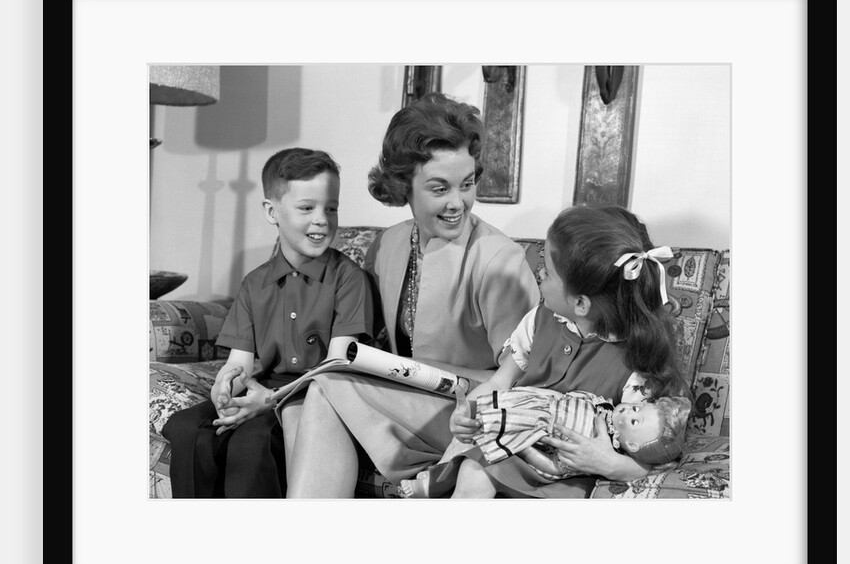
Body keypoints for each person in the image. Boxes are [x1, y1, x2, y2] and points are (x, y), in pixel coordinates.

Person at [281, 92, 541, 497]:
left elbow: (524, 380)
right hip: (406, 398)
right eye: (440, 189)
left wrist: (422, 366)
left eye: (467, 184)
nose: (458, 203)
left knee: (326, 386)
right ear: (404, 186)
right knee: (297, 402)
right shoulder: (388, 244)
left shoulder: (498, 259)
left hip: (474, 416)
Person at [403, 204, 692, 498]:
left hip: (568, 472)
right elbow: (499, 383)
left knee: (478, 472)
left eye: (549, 272)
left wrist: (609, 464)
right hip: (516, 441)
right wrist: (467, 414)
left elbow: (653, 457)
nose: (539, 272)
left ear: (581, 303)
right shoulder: (540, 319)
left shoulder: (635, 363)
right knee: (473, 472)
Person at [161, 147, 375, 498]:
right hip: (265, 385)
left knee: (251, 443)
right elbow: (239, 364)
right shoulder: (254, 283)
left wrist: (269, 400)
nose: (322, 219)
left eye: (331, 208)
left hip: (319, 393)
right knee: (187, 427)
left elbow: (335, 369)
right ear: (271, 211)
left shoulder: (348, 279)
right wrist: (225, 389)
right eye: (307, 208)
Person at [399, 388, 691, 497]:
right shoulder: (604, 406)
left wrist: (523, 445)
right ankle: (433, 481)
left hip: (533, 461)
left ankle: (437, 487)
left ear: (632, 445)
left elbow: (554, 467)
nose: (631, 411)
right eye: (639, 407)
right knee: (475, 452)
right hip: (528, 422)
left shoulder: (595, 446)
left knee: (481, 467)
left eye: (636, 421)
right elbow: (568, 397)